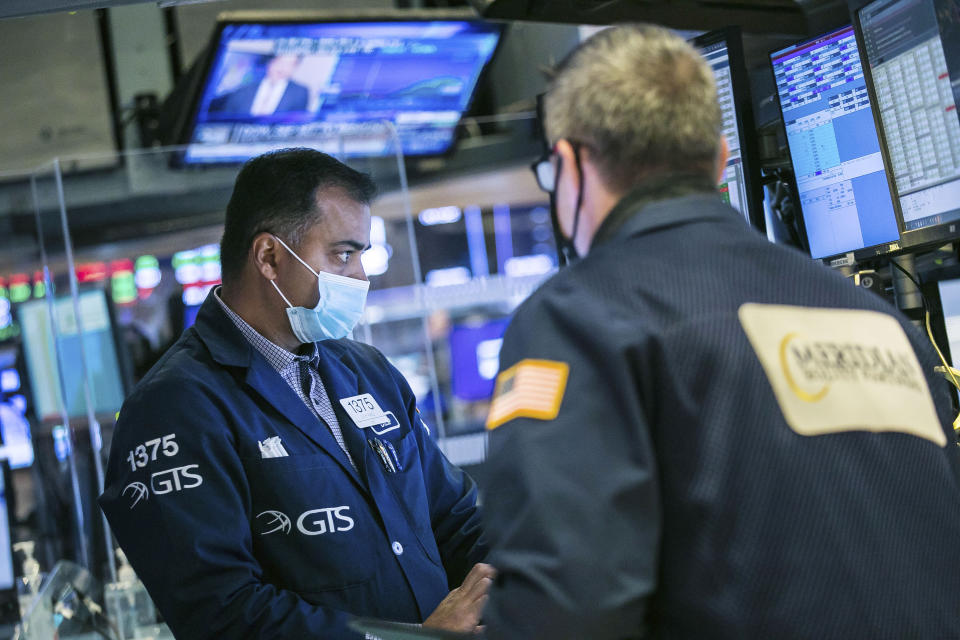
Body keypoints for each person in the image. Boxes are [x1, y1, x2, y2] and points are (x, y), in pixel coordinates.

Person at [480, 25, 960, 639]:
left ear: (569, 164)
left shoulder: (579, 317)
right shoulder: (878, 322)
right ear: (719, 158)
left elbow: (562, 610)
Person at [100, 148, 492, 639]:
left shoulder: (366, 371)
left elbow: (452, 518)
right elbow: (220, 613)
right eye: (343, 254)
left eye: (361, 256)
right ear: (269, 257)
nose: (361, 277)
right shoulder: (173, 408)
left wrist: (515, 576)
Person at [209, 54, 310, 116]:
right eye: (280, 61)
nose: (283, 68)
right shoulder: (243, 89)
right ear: (270, 62)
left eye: (290, 64)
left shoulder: (300, 92)